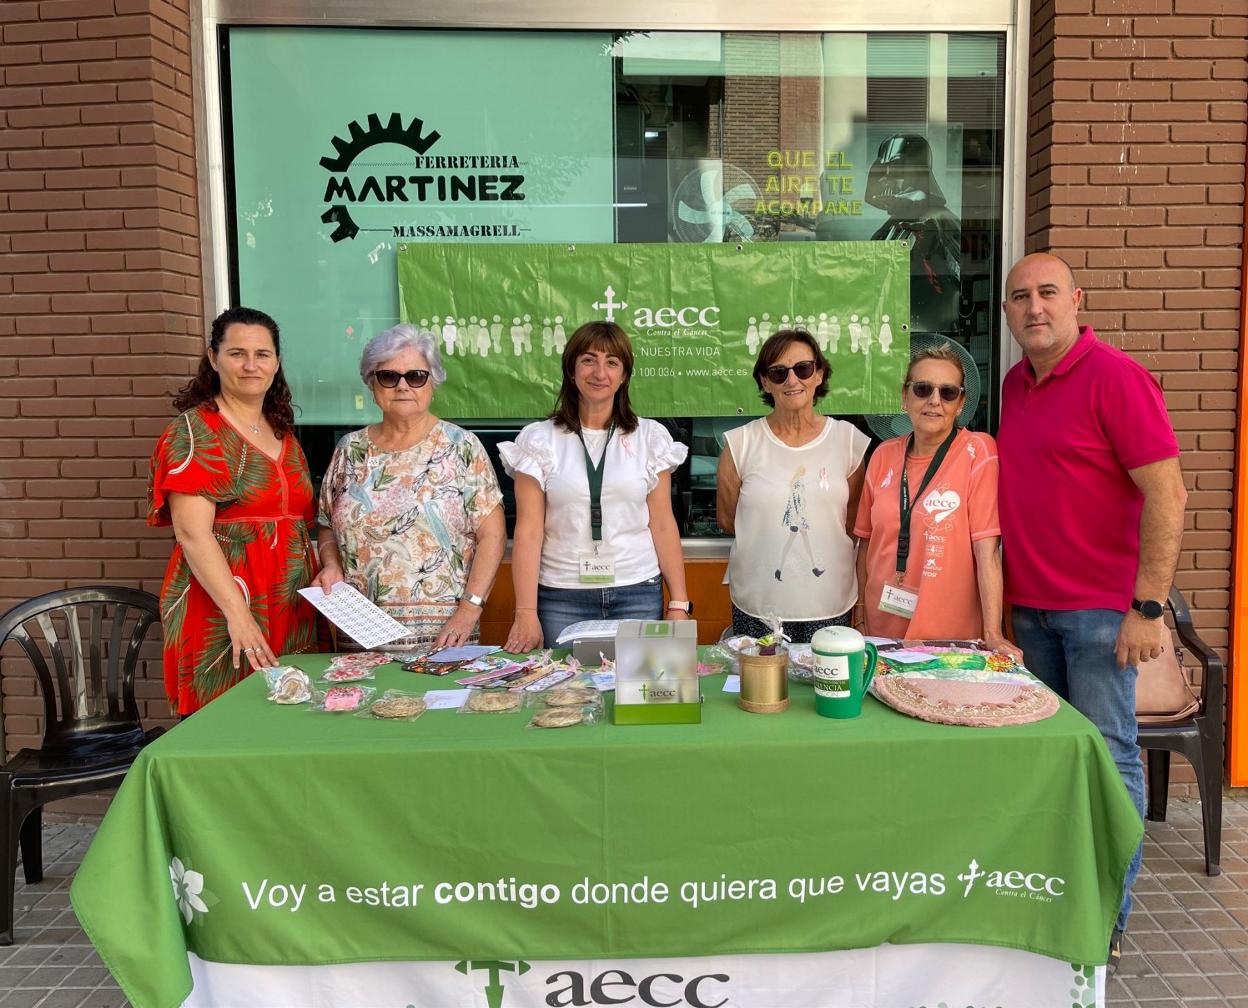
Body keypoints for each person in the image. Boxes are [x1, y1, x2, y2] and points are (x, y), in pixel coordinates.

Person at [997, 252, 1187, 974]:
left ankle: (1107, 915)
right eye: (1020, 297)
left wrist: (1148, 606)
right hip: (1031, 612)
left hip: (1102, 617)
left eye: (1048, 293)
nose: (1034, 308)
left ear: (1077, 300)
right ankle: (1055, 897)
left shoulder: (1117, 378)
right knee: (1049, 760)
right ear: (1007, 313)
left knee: (1109, 757)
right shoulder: (1017, 384)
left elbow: (1168, 494)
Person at [148, 307, 317, 716]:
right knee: (226, 720)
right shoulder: (195, 432)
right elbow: (192, 534)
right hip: (224, 606)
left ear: (276, 362)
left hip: (289, 606)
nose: (251, 365)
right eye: (237, 353)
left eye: (262, 354)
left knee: (291, 721)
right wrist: (238, 615)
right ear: (214, 358)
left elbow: (300, 524)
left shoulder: (282, 432)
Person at [501, 321, 690, 650]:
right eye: (588, 360)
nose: (600, 372)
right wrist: (525, 612)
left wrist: (679, 603)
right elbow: (529, 531)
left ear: (624, 375)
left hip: (638, 590)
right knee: (565, 684)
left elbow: (662, 523)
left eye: (612, 362)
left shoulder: (649, 437)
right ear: (571, 369)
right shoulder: (539, 440)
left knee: (639, 683)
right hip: (562, 596)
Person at [313, 325, 505, 649]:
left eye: (415, 376)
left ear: (433, 382)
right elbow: (327, 526)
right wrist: (331, 565)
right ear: (372, 383)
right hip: (362, 638)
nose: (402, 385)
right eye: (388, 376)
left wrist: (469, 610)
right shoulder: (350, 449)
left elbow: (494, 536)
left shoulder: (461, 447)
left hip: (446, 638)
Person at [853, 344, 1021, 656]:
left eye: (947, 392)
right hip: (881, 633)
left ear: (961, 403)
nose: (934, 400)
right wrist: (860, 615)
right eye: (922, 389)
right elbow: (866, 544)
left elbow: (987, 552)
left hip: (948, 639)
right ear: (905, 397)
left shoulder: (977, 452)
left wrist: (993, 633)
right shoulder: (883, 455)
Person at [716, 329, 868, 643]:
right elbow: (728, 519)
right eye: (778, 372)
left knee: (828, 675)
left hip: (830, 603)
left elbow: (853, 523)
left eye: (803, 369)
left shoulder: (848, 441)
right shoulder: (741, 444)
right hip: (758, 606)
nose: (792, 380)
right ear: (764, 382)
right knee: (760, 677)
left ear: (819, 374)